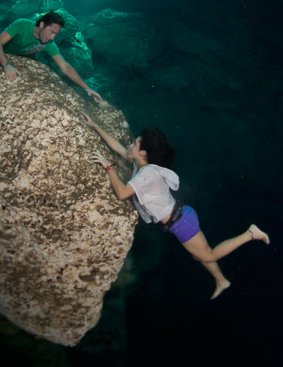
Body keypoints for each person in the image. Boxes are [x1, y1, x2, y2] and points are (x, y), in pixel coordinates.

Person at [83, 112, 269, 299]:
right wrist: (94, 125)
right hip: (181, 217)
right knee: (200, 255)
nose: (130, 145)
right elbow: (120, 149)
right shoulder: (141, 163)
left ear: (143, 153)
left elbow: (122, 193)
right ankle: (221, 280)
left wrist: (109, 167)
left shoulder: (146, 174)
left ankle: (251, 234)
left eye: (135, 143)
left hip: (181, 223)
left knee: (209, 255)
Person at [0, 11, 103, 102]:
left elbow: (64, 66)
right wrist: (6, 65)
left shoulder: (49, 44)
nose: (52, 38)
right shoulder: (22, 24)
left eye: (55, 34)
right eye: (51, 32)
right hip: (3, 57)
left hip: (23, 61)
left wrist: (86, 87)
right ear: (42, 25)